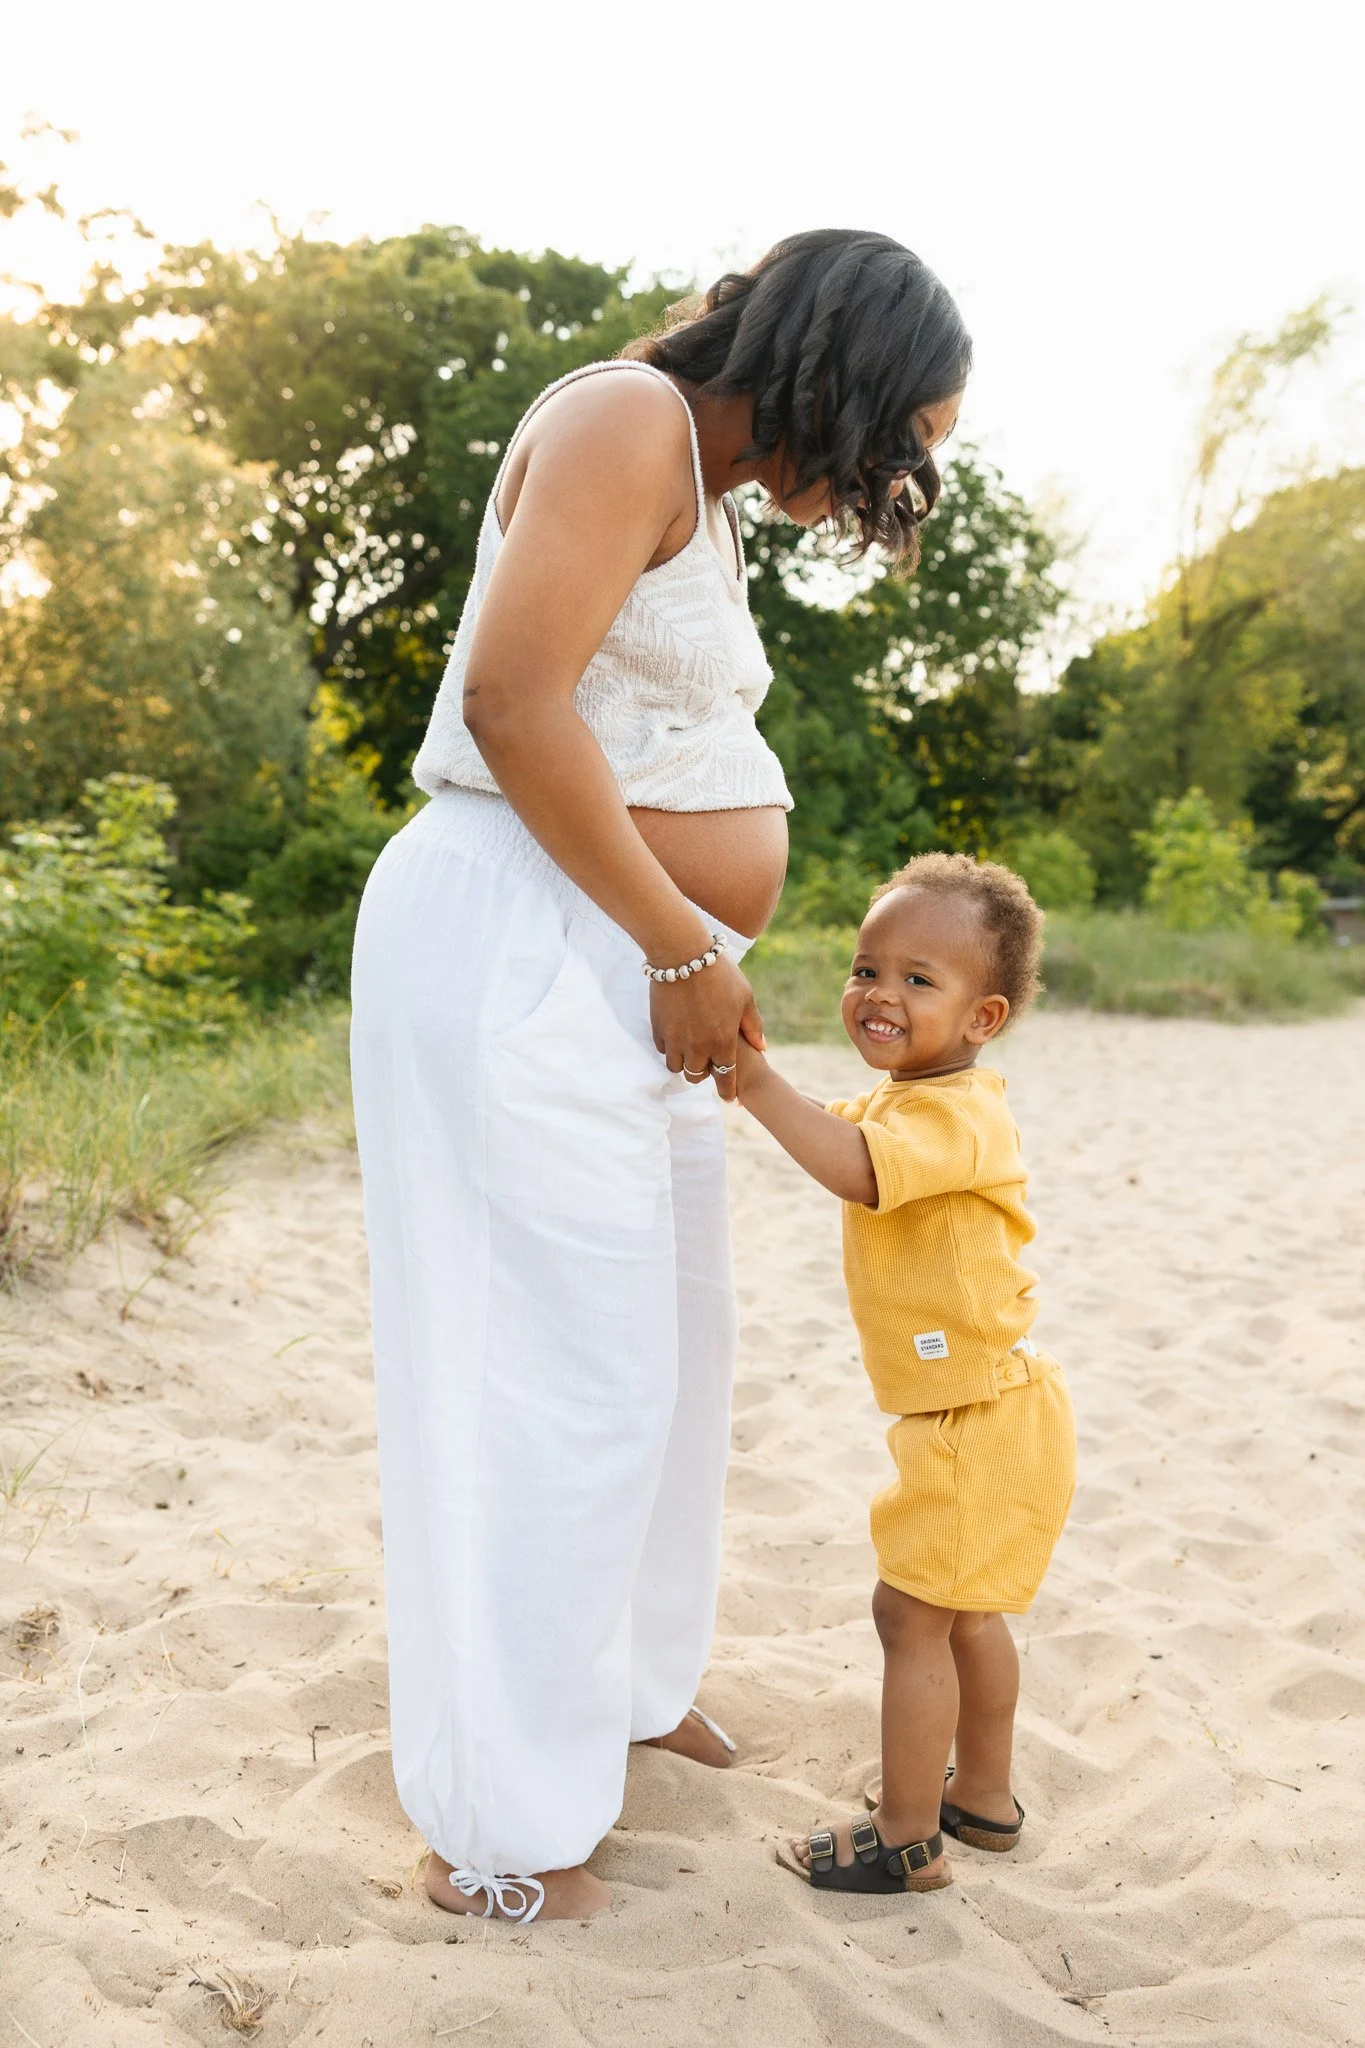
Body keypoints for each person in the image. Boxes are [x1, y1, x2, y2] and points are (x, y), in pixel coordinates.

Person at [349, 230, 972, 1922]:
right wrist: (687, 944)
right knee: (541, 1381)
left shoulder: (694, 474)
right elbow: (508, 699)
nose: (899, 477)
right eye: (906, 435)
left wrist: (686, 948)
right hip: (522, 943)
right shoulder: (629, 420)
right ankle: (494, 1824)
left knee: (666, 1354)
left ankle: (615, 1692)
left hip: (615, 956)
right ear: (838, 372)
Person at [732, 854, 1076, 1894]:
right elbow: (842, 1128)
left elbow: (853, 1167)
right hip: (987, 1405)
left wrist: (749, 1081)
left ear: (985, 1015)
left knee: (911, 1614)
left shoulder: (953, 1116)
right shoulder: (907, 1098)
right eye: (865, 966)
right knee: (967, 1611)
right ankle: (983, 1794)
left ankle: (908, 1831)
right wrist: (751, 1059)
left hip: (975, 1417)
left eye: (920, 979)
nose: (881, 993)